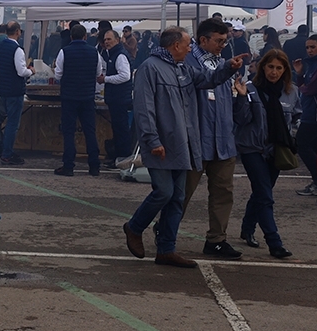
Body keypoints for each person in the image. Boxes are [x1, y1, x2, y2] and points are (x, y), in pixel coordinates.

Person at [123, 27, 244, 268]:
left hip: (183, 143)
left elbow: (207, 80)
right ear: (175, 45)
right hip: (161, 143)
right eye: (187, 44)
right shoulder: (150, 68)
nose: (190, 49)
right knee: (164, 192)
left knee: (177, 197)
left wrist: (228, 67)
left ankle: (167, 249)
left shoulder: (183, 68)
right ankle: (134, 227)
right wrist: (152, 139)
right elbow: (144, 108)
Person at [181, 18, 242, 260]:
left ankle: (217, 239)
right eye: (218, 41)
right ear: (203, 39)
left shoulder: (226, 63)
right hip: (196, 139)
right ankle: (165, 230)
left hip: (224, 140)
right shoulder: (186, 61)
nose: (222, 46)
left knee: (223, 192)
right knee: (182, 192)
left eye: (225, 41)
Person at [232, 50, 298, 258]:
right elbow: (241, 120)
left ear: (285, 70)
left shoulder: (292, 92)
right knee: (265, 195)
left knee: (262, 192)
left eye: (279, 68)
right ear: (262, 68)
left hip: (276, 150)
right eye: (270, 67)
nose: (274, 72)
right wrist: (241, 98)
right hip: (252, 148)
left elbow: (297, 118)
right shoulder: (250, 89)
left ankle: (247, 227)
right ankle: (274, 242)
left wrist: (292, 138)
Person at [53, 24, 104, 176]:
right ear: (85, 36)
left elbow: (58, 75)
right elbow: (98, 73)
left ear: (71, 37)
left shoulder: (64, 52)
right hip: (87, 97)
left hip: (69, 97)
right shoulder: (94, 53)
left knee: (69, 132)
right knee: (90, 131)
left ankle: (68, 165)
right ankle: (94, 166)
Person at [0, 21, 33, 165]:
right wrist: (32, 71)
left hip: (3, 90)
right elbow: (21, 71)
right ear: (18, 32)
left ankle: (6, 150)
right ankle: (7, 153)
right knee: (13, 123)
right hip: (15, 90)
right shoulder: (17, 49)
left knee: (8, 121)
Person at [292, 34, 317, 197]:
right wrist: (300, 74)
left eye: (313, 47)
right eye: (307, 47)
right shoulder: (313, 64)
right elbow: (305, 86)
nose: (309, 50)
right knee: (314, 146)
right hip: (310, 109)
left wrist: (302, 87)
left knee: (303, 143)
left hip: (316, 111)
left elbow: (311, 88)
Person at [100, 30, 134, 168]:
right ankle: (118, 157)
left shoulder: (120, 56)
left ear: (117, 40)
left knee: (121, 129)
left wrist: (105, 79)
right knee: (118, 128)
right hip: (116, 98)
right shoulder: (113, 54)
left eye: (109, 39)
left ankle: (123, 158)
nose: (107, 42)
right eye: (105, 39)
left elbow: (125, 76)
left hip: (120, 98)